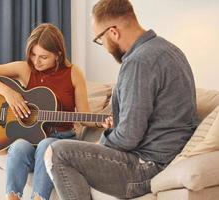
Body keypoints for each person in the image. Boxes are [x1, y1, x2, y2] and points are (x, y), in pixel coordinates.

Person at [44, 0, 199, 199]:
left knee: (56, 152)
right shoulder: (170, 50)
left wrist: (102, 143)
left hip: (148, 166)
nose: (104, 46)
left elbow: (128, 137)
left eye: (100, 38)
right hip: (166, 158)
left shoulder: (139, 62)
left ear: (113, 32)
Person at [0, 23, 90, 200]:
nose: (36, 61)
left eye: (43, 57)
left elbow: (86, 116)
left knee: (46, 145)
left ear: (58, 54)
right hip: (30, 141)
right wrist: (9, 93)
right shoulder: (25, 69)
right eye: (33, 54)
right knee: (19, 146)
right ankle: (11, 197)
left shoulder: (74, 73)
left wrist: (102, 121)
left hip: (60, 142)